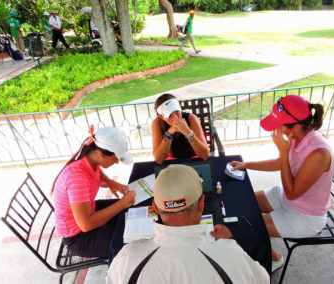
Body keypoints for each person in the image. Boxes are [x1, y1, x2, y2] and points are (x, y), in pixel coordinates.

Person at [107, 164, 269, 283]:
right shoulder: (231, 255)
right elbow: (263, 279)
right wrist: (232, 243)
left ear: (155, 207)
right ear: (201, 204)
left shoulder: (127, 257)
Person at [230, 95, 334, 273]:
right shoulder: (298, 136)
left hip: (305, 216)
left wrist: (283, 152)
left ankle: (275, 259)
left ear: (294, 127)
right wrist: (247, 165)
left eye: (279, 125)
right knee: (241, 203)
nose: (276, 129)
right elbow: (282, 163)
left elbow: (293, 191)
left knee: (242, 226)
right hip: (288, 198)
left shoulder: (318, 154)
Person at [52, 126, 136, 257]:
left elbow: (98, 174)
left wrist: (112, 183)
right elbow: (86, 224)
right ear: (102, 154)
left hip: (89, 210)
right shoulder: (77, 177)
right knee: (135, 241)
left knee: (132, 209)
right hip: (79, 237)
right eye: (115, 158)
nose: (117, 162)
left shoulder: (89, 159)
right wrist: (123, 203)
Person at [152, 93, 209, 164]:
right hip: (173, 164)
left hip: (193, 161)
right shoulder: (157, 123)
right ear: (161, 117)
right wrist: (169, 133)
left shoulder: (191, 118)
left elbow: (205, 155)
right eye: (170, 116)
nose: (176, 118)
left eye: (177, 112)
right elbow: (159, 160)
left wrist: (187, 132)